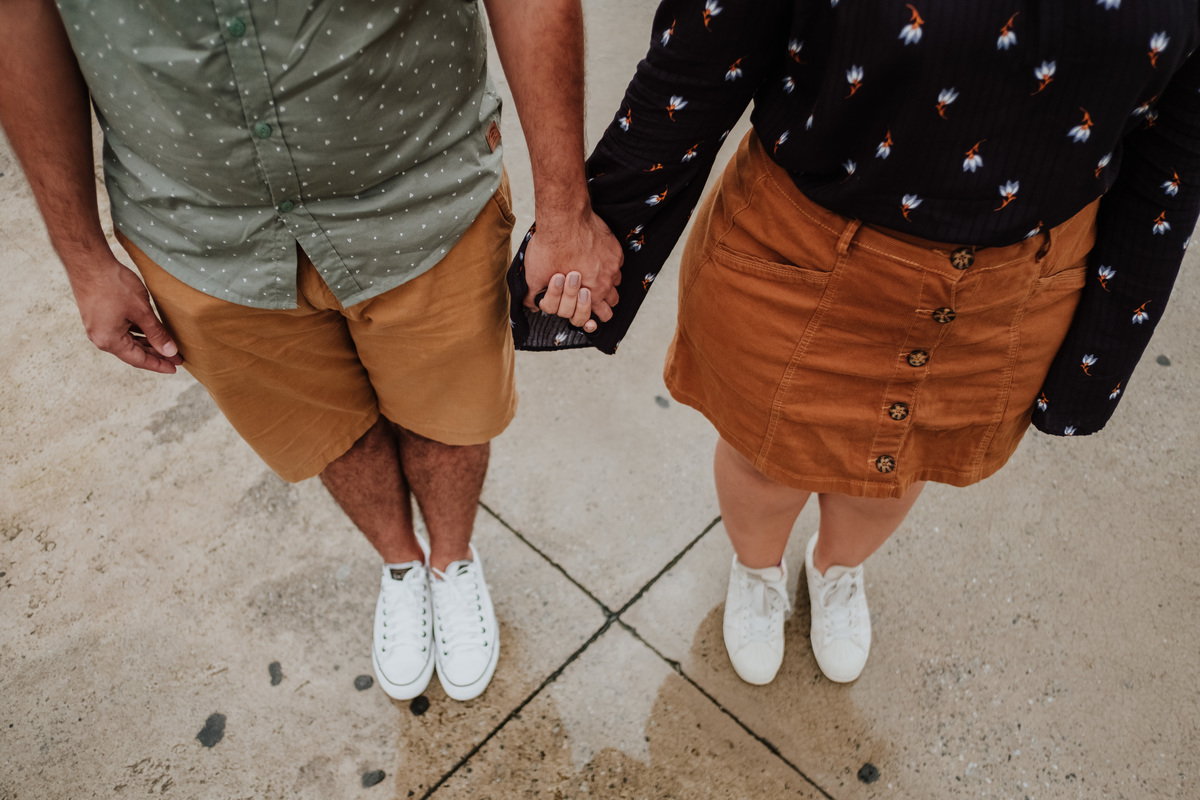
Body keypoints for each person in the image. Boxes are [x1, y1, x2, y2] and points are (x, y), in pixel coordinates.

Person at [512, 0, 1200, 685]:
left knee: (895, 468)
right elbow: (703, 52)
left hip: (1013, 282)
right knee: (766, 460)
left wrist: (1105, 349)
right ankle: (758, 570)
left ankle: (837, 570)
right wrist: (581, 231)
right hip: (805, 247)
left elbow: (1177, 150)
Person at [0, 0, 621, 702]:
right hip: (199, 233)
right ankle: (401, 565)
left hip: (422, 187)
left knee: (450, 417)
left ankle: (451, 561)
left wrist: (566, 209)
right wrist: (82, 255)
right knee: (326, 435)